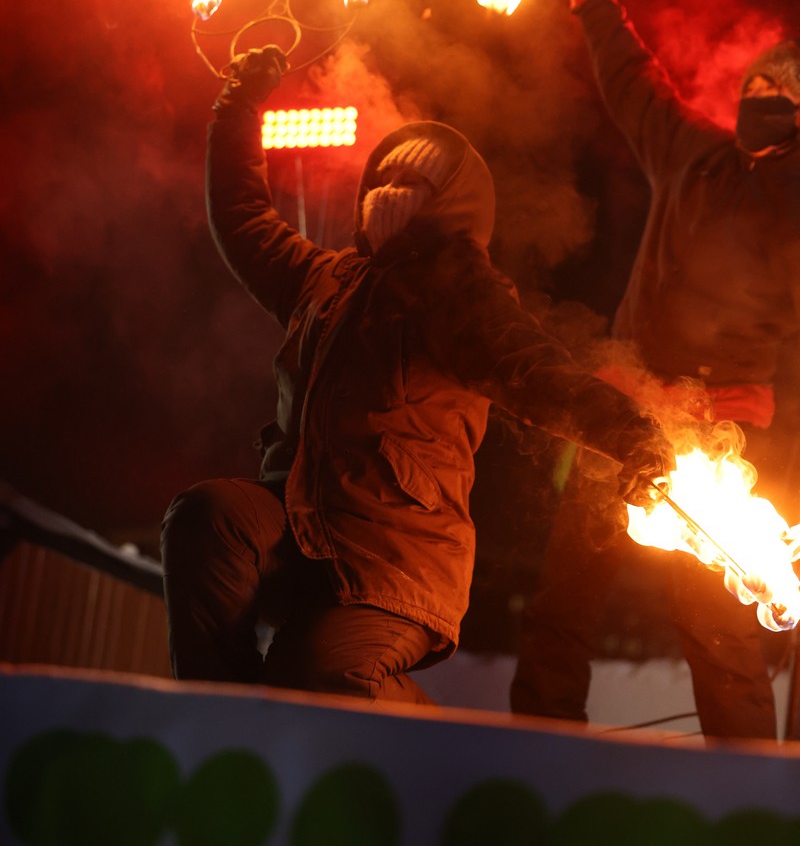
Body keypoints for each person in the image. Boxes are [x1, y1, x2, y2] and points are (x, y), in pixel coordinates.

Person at [160, 44, 674, 706]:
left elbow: (540, 374)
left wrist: (635, 435)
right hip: (301, 526)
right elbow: (241, 216)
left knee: (311, 666)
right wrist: (238, 106)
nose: (387, 195)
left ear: (451, 207)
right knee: (208, 515)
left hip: (395, 563)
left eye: (414, 185)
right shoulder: (325, 280)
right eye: (382, 179)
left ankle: (425, 742)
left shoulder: (462, 296)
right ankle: (218, 720)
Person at [510, 0, 800, 739]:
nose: (759, 99)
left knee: (717, 626)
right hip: (623, 407)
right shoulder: (690, 151)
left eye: (779, 93)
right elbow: (629, 76)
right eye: (753, 86)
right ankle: (537, 747)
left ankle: (747, 789)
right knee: (564, 598)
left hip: (722, 436)